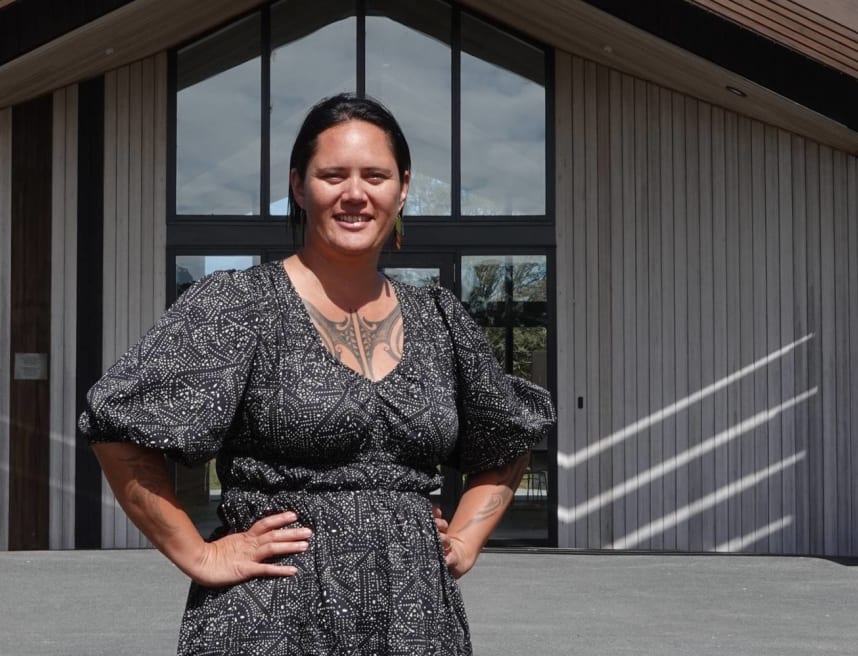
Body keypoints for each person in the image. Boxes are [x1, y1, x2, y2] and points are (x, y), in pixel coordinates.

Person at [79, 93, 555, 655]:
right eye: (333, 175)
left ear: (402, 188)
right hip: (271, 620)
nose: (355, 193)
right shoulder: (240, 306)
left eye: (375, 176)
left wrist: (468, 538)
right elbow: (118, 426)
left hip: (416, 622)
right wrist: (199, 554)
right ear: (299, 187)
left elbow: (507, 437)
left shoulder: (438, 319)